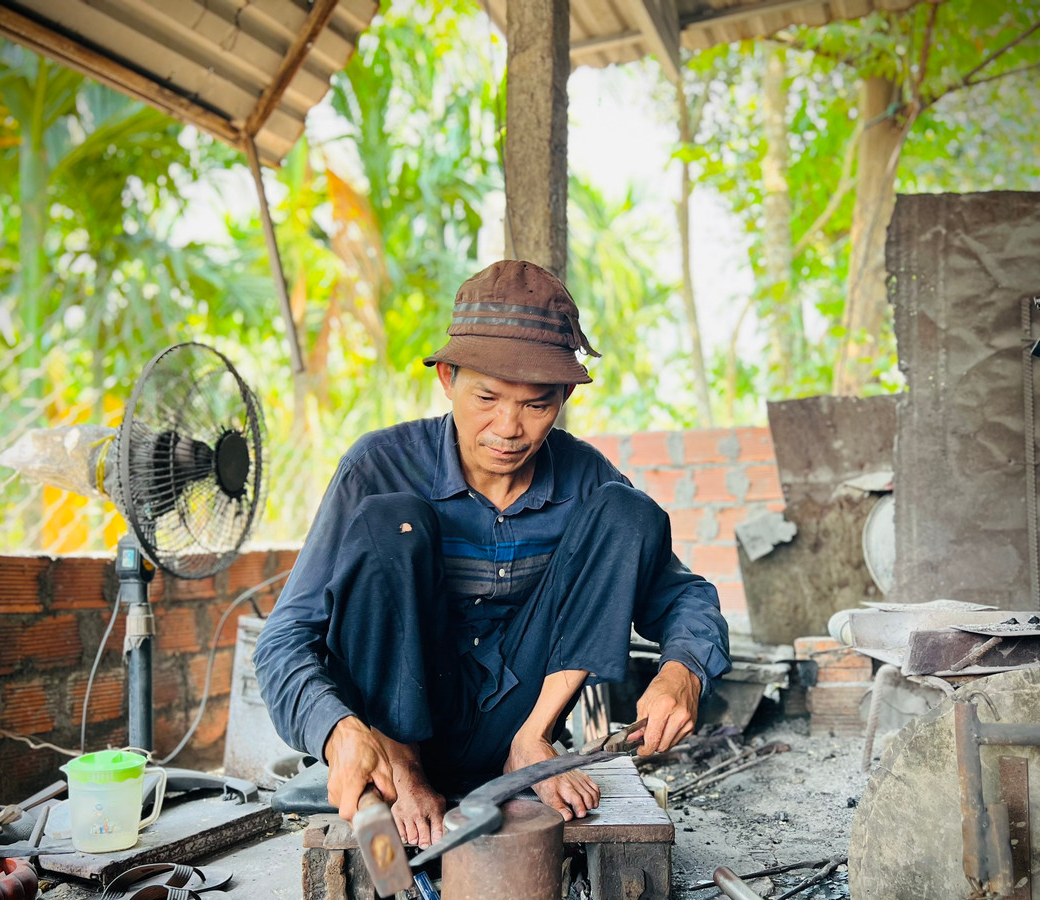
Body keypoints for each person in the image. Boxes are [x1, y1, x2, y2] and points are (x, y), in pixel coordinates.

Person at [253, 260, 730, 847]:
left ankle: (528, 746)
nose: (508, 427)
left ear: (562, 398)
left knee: (627, 511)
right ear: (447, 377)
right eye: (486, 397)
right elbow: (283, 640)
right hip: (399, 731)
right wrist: (337, 731)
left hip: (521, 719)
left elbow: (686, 597)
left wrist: (684, 670)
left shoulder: (583, 478)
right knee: (390, 522)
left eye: (536, 405)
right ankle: (407, 766)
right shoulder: (376, 467)